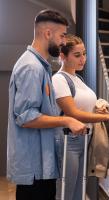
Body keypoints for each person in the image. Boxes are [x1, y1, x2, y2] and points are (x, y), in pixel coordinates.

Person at [7, 10, 87, 200]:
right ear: (48, 33)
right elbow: (26, 117)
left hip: (43, 166)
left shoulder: (40, 66)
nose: (63, 42)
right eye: (61, 36)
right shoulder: (31, 68)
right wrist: (67, 120)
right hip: (35, 168)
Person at [52, 34, 109, 200]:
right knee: (66, 192)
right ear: (63, 56)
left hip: (84, 139)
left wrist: (99, 112)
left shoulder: (77, 78)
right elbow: (73, 113)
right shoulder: (59, 80)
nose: (83, 59)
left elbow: (84, 108)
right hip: (68, 141)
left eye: (84, 53)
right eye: (77, 55)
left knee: (79, 192)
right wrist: (106, 117)